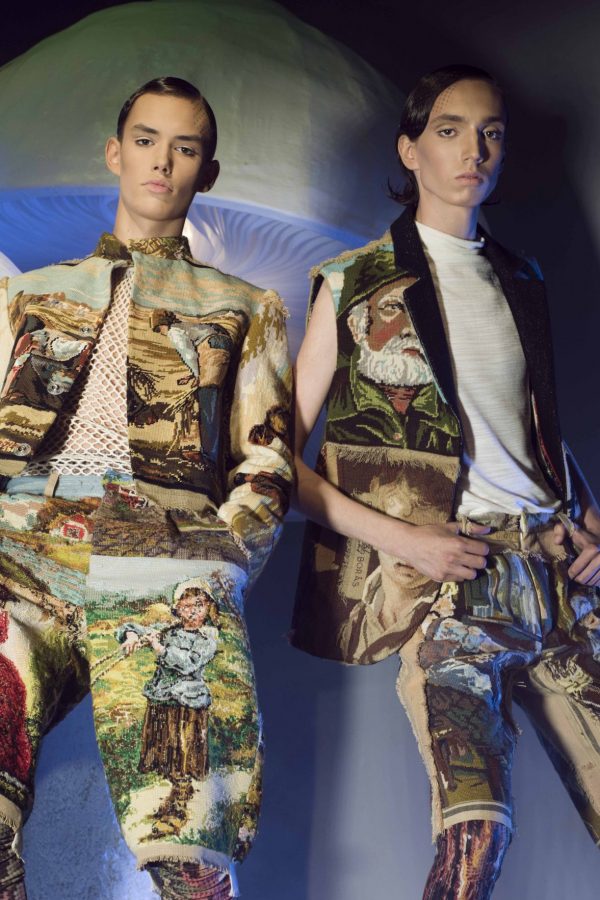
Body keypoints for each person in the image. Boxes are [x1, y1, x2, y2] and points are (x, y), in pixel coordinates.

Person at [291, 64, 600, 898]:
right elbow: (272, 461)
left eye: (491, 133)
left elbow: (532, 433)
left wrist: (592, 521)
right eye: (451, 130)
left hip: (558, 578)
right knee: (475, 834)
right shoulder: (354, 282)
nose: (475, 150)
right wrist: (405, 541)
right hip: (454, 592)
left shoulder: (522, 278)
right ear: (410, 149)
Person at [0, 76, 292, 900]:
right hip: (18, 538)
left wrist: (222, 554)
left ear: (207, 170)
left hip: (160, 553)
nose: (162, 161)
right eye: (145, 140)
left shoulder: (244, 306)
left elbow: (267, 465)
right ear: (115, 152)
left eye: (185, 147)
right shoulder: (28, 292)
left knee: (189, 842)